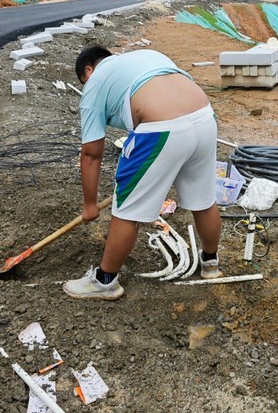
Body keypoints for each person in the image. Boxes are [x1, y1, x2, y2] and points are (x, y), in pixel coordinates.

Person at [63, 46, 222, 300]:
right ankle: (210, 263)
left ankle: (105, 281)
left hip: (161, 128)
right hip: (204, 118)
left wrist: (90, 205)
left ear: (88, 70)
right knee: (203, 199)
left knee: (127, 208)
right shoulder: (147, 56)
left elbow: (91, 153)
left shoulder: (94, 82)